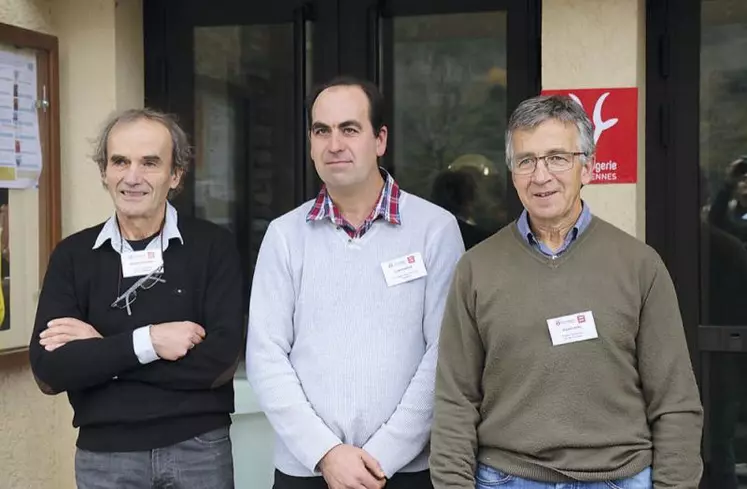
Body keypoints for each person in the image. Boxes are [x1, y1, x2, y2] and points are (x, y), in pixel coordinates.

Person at [430, 95, 703, 489]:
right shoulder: (476, 269)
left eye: (557, 157)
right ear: (513, 173)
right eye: (526, 160)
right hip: (508, 479)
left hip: (620, 479)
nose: (541, 176)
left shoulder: (640, 265)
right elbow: (455, 401)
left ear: (587, 168)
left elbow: (675, 402)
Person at [246, 76, 464, 489]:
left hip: (401, 472)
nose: (334, 144)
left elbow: (446, 354)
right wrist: (326, 454)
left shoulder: (435, 230)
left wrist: (381, 456)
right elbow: (265, 355)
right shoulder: (284, 235)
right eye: (321, 131)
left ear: (380, 139)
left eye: (349, 129)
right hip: (308, 470)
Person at [29, 108, 244, 489]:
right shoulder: (73, 256)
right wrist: (150, 342)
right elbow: (49, 370)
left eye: (149, 163)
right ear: (104, 171)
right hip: (105, 455)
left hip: (197, 449)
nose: (132, 177)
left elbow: (220, 362)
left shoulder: (214, 247)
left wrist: (101, 351)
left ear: (175, 174)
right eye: (120, 162)